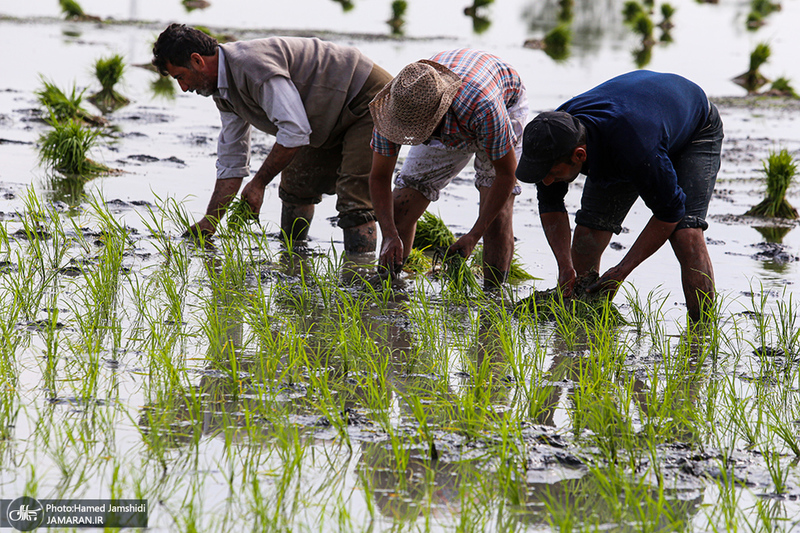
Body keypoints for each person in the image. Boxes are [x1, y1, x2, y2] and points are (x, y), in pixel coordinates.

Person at [151, 24, 393, 253]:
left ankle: (360, 282)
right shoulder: (223, 91)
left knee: (354, 201)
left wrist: (259, 182)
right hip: (325, 114)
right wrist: (210, 221)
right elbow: (232, 161)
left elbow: (294, 130)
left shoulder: (252, 67)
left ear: (197, 60)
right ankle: (293, 265)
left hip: (368, 100)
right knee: (296, 185)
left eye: (180, 77)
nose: (183, 88)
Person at [515, 70, 724, 322]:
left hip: (695, 129)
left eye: (550, 173)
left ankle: (702, 334)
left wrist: (622, 270)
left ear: (579, 155)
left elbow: (669, 213)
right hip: (637, 123)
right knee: (588, 236)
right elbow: (550, 203)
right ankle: (582, 326)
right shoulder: (553, 134)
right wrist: (564, 266)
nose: (546, 181)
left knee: (686, 233)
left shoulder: (635, 147)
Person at [368, 49, 528, 288]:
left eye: (422, 130)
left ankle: (494, 299)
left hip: (503, 103)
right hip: (451, 112)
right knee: (401, 208)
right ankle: (389, 287)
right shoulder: (396, 108)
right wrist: (390, 234)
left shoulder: (484, 107)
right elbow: (379, 177)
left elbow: (505, 175)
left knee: (496, 215)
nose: (413, 137)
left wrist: (474, 235)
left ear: (438, 116)